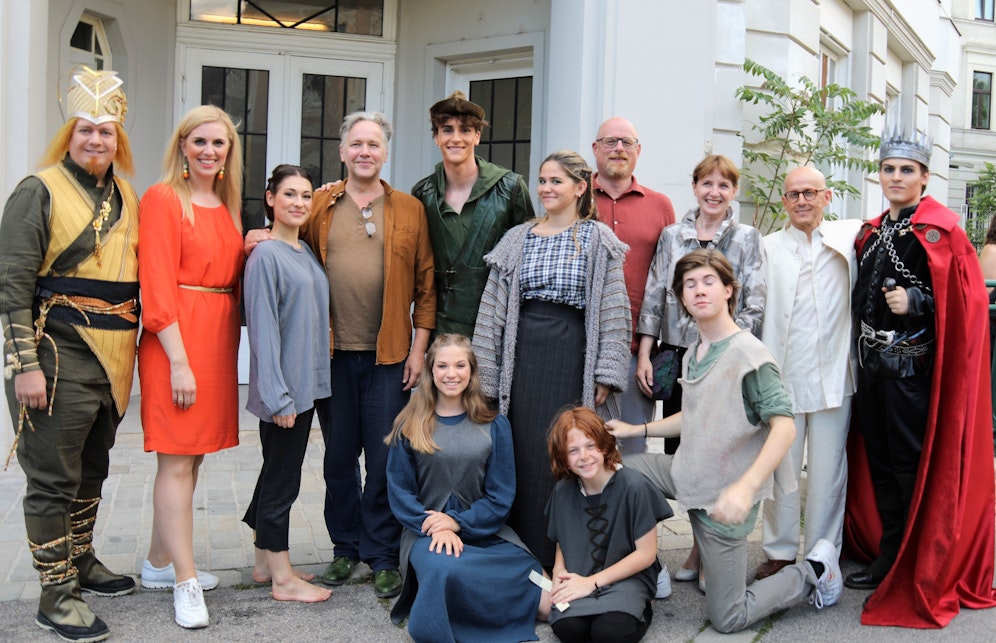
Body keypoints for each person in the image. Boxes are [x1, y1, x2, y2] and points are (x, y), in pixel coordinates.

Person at [608, 249, 842, 634]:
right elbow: (699, 415)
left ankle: (816, 570)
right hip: (687, 473)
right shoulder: (695, 352)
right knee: (614, 472)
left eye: (709, 282)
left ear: (728, 291)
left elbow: (784, 427)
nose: (699, 290)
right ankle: (647, 568)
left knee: (727, 617)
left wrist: (744, 488)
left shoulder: (749, 355)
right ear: (682, 298)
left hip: (725, 495)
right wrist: (638, 431)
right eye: (690, 284)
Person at [0, 67, 138, 643]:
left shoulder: (126, 191)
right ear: (70, 133)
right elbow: (11, 287)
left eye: (106, 132)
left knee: (92, 471)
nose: (95, 141)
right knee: (53, 479)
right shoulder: (38, 189)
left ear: (118, 139)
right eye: (86, 130)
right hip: (56, 354)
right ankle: (55, 594)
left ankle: (80, 561)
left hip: (112, 360)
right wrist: (24, 367)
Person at [842, 119, 996, 627]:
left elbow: (965, 301)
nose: (895, 177)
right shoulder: (873, 231)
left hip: (911, 374)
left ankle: (912, 559)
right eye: (888, 169)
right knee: (881, 463)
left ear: (924, 177)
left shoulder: (942, 231)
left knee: (908, 465)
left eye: (906, 169)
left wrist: (918, 300)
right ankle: (890, 554)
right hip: (872, 372)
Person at [297, 112, 435, 598]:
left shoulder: (410, 209)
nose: (364, 152)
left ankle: (381, 554)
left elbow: (426, 287)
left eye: (373, 144)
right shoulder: (317, 204)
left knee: (382, 459)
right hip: (330, 354)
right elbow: (284, 241)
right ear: (342, 151)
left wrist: (419, 350)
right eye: (356, 144)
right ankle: (344, 548)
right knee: (338, 457)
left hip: (389, 355)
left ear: (385, 152)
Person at [473, 150, 631, 568]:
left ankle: (566, 558)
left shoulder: (599, 240)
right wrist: (486, 375)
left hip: (573, 357)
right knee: (522, 451)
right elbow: (492, 308)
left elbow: (615, 310)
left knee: (566, 450)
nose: (545, 188)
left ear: (581, 187)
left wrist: (606, 372)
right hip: (522, 360)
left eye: (555, 181)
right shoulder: (517, 238)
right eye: (542, 180)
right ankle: (521, 555)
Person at [634, 154, 766, 582]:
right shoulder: (673, 235)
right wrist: (644, 352)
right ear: (694, 187)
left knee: (719, 453)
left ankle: (711, 549)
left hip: (724, 360)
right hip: (678, 354)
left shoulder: (746, 237)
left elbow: (754, 304)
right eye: (707, 183)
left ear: (734, 191)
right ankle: (696, 545)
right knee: (683, 455)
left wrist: (727, 348)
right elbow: (655, 294)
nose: (714, 192)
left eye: (724, 186)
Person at [138, 105, 244, 629]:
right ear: (182, 145)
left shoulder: (226, 205)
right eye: (199, 141)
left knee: (194, 458)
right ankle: (184, 580)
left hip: (215, 339)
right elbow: (156, 286)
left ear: (229, 152)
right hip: (175, 342)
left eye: (218, 144)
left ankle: (158, 563)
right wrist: (178, 362)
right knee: (176, 460)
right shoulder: (163, 199)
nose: (208, 151)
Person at [386, 334, 551, 642]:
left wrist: (458, 522)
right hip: (427, 535)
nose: (452, 374)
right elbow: (399, 492)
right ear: (430, 371)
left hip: (486, 532)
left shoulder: (494, 424)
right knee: (446, 570)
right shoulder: (409, 424)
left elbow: (501, 495)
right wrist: (437, 526)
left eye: (460, 365)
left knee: (544, 593)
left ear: (472, 371)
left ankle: (494, 602)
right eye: (443, 366)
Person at [755, 167, 861, 579]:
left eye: (810, 193)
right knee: (781, 468)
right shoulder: (766, 247)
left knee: (828, 471)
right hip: (781, 373)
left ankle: (822, 551)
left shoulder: (849, 239)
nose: (802, 201)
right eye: (794, 194)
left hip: (835, 373)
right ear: (783, 201)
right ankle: (779, 550)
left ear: (827, 196)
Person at [241, 165, 332, 604]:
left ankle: (263, 562)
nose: (298, 202)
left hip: (306, 385)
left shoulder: (305, 251)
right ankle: (282, 578)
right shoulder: (265, 256)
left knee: (275, 473)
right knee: (283, 482)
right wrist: (277, 396)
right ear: (270, 199)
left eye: (306, 195)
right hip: (284, 391)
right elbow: (263, 330)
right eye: (289, 194)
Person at [412, 90, 534, 338]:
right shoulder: (423, 193)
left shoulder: (510, 188)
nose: (456, 138)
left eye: (465, 130)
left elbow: (528, 261)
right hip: (441, 330)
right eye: (447, 130)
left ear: (477, 136)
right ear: (436, 137)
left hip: (494, 326)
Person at [545, 407, 672, 643]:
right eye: (573, 450)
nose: (584, 456)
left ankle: (643, 605)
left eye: (590, 446)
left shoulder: (634, 486)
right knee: (568, 629)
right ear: (563, 457)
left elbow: (646, 554)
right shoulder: (563, 490)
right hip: (581, 572)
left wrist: (590, 583)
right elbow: (563, 536)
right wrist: (558, 573)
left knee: (609, 634)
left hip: (627, 577)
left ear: (604, 445)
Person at [591, 117, 675, 454]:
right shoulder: (575, 197)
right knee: (579, 447)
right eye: (610, 142)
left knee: (629, 451)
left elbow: (669, 281)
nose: (619, 149)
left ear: (638, 151)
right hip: (579, 347)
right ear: (595, 149)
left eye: (627, 143)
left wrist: (649, 350)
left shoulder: (660, 206)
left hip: (635, 353)